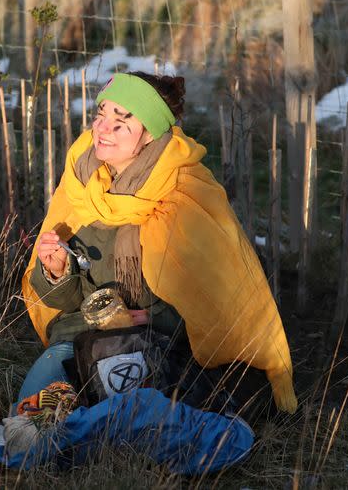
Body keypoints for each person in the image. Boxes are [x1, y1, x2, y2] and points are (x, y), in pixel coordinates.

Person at [19, 71, 297, 415]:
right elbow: (69, 303)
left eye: (121, 122)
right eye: (100, 114)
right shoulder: (82, 182)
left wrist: (152, 317)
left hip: (168, 346)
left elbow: (218, 306)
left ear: (149, 134)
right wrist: (56, 272)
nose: (102, 129)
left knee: (133, 415)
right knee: (32, 414)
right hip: (85, 339)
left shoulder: (185, 194)